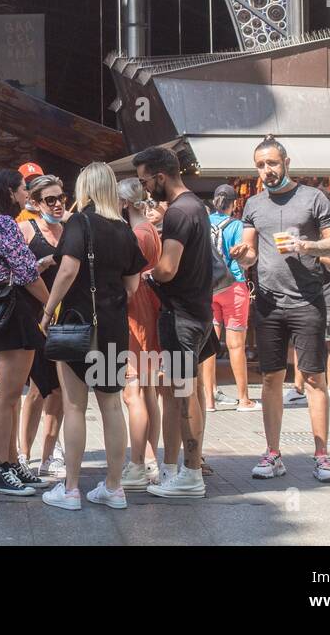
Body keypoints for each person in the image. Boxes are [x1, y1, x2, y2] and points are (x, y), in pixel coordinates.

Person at [229, 136, 330, 483]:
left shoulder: (313, 198)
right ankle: (273, 454)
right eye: (261, 165)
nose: (268, 170)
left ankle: (322, 456)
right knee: (270, 379)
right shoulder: (253, 204)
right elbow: (250, 252)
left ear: (286, 162)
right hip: (267, 302)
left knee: (313, 379)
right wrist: (241, 255)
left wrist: (305, 245)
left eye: (273, 163)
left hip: (307, 300)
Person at [38, 163, 146, 511]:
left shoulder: (78, 222)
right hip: (113, 326)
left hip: (76, 323)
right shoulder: (123, 228)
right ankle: (114, 487)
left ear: (84, 188)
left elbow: (68, 269)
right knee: (112, 404)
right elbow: (133, 284)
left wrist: (47, 310)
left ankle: (70, 490)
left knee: (74, 406)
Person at [132, 147, 215, 500]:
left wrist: (145, 277)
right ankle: (188, 469)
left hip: (181, 315)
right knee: (190, 391)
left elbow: (167, 268)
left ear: (160, 176)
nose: (145, 187)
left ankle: (191, 474)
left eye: (145, 180)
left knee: (182, 394)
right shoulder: (196, 206)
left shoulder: (179, 212)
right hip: (197, 312)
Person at [0, 169, 51, 496]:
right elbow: (27, 272)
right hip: (14, 310)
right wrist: (51, 304)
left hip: (6, 311)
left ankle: (12, 461)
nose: (26, 197)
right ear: (9, 190)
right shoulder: (3, 223)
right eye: (23, 191)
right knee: (7, 396)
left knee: (12, 394)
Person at [17, 174, 67, 480]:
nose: (58, 204)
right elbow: (15, 273)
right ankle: (23, 454)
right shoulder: (25, 230)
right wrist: (41, 265)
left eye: (61, 197)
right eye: (50, 199)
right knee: (36, 390)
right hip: (33, 318)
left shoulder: (69, 231)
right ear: (35, 204)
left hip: (63, 320)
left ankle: (49, 457)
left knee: (58, 390)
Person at [117, 178, 163, 490]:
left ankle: (137, 463)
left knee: (133, 390)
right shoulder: (150, 230)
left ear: (125, 203)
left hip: (136, 312)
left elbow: (129, 283)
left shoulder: (136, 234)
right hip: (150, 309)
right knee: (147, 391)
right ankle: (149, 460)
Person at [291, 191, 330, 409]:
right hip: (307, 291)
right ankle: (297, 389)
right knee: (302, 340)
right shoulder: (309, 233)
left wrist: (322, 258)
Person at [204, 185, 259, 412]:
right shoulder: (238, 226)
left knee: (208, 346)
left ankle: (208, 400)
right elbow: (246, 258)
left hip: (208, 289)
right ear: (234, 204)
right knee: (236, 346)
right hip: (233, 286)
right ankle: (244, 399)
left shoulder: (204, 223)